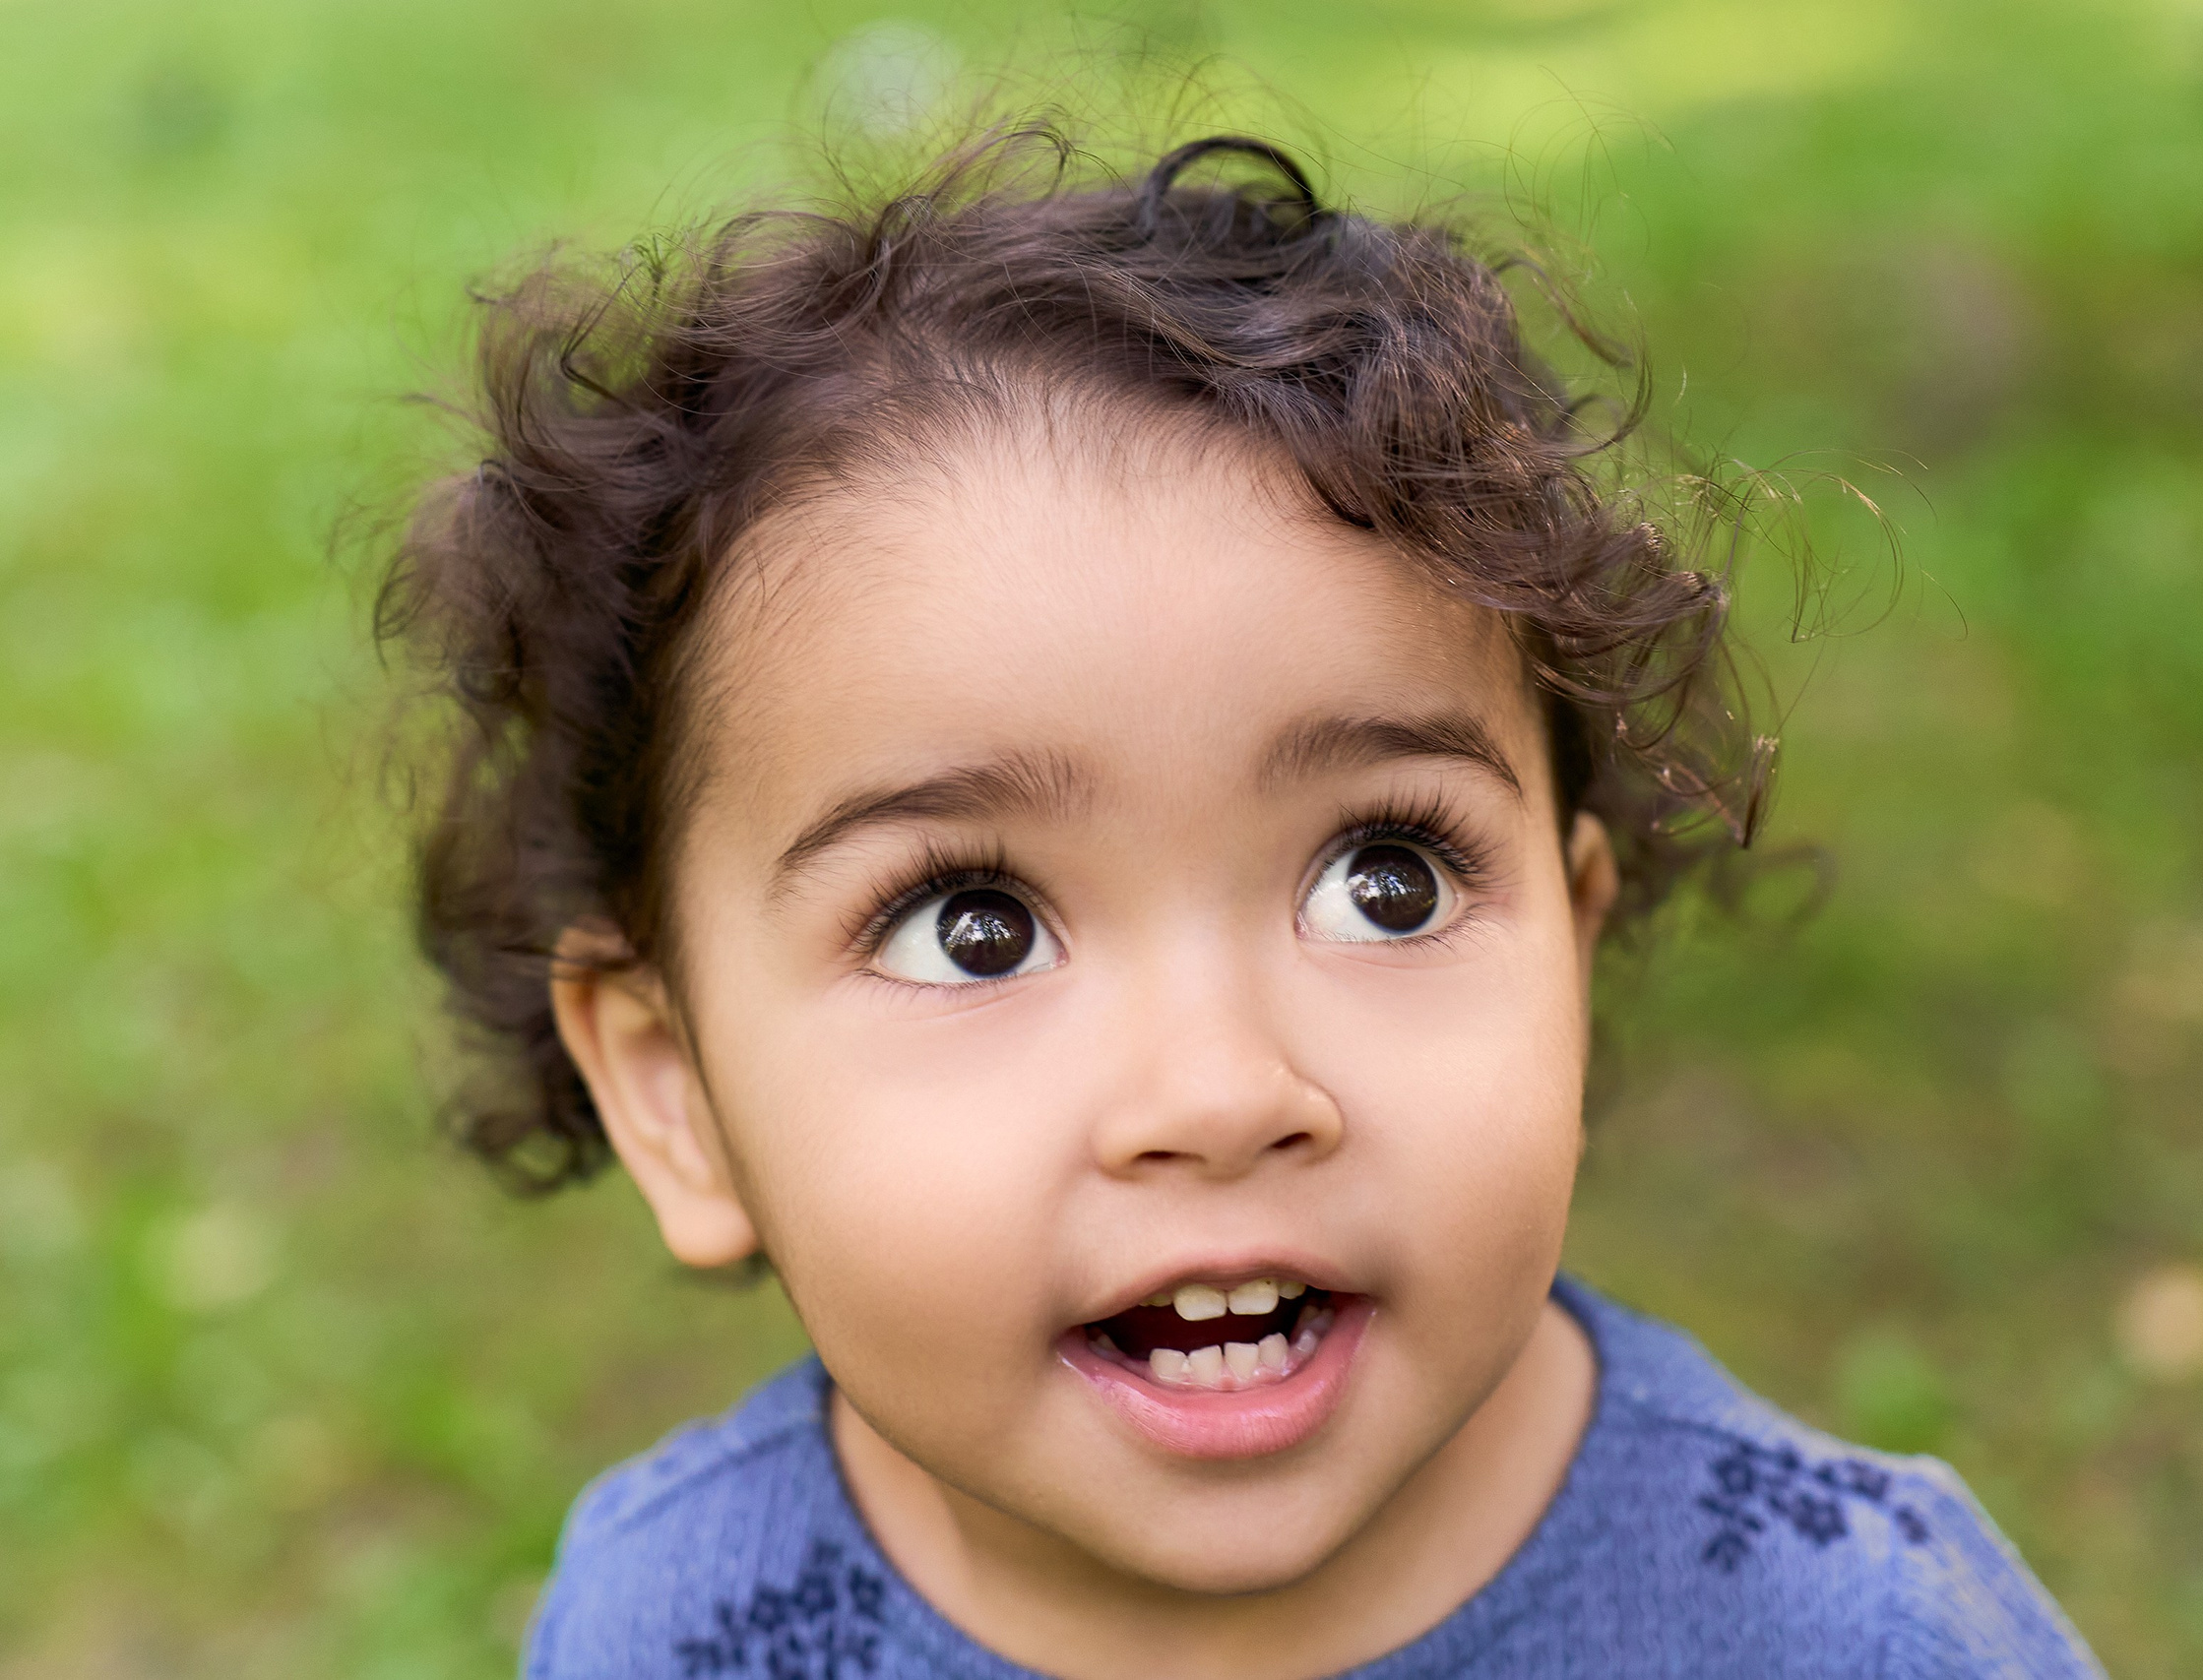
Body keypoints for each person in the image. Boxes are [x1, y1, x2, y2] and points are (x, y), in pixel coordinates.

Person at [380, 124, 2104, 1680]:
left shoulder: (1846, 1632)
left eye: (1387, 881)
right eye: (972, 926)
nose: (1219, 1093)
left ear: (1571, 960)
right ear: (675, 1094)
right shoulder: (675, 1626)